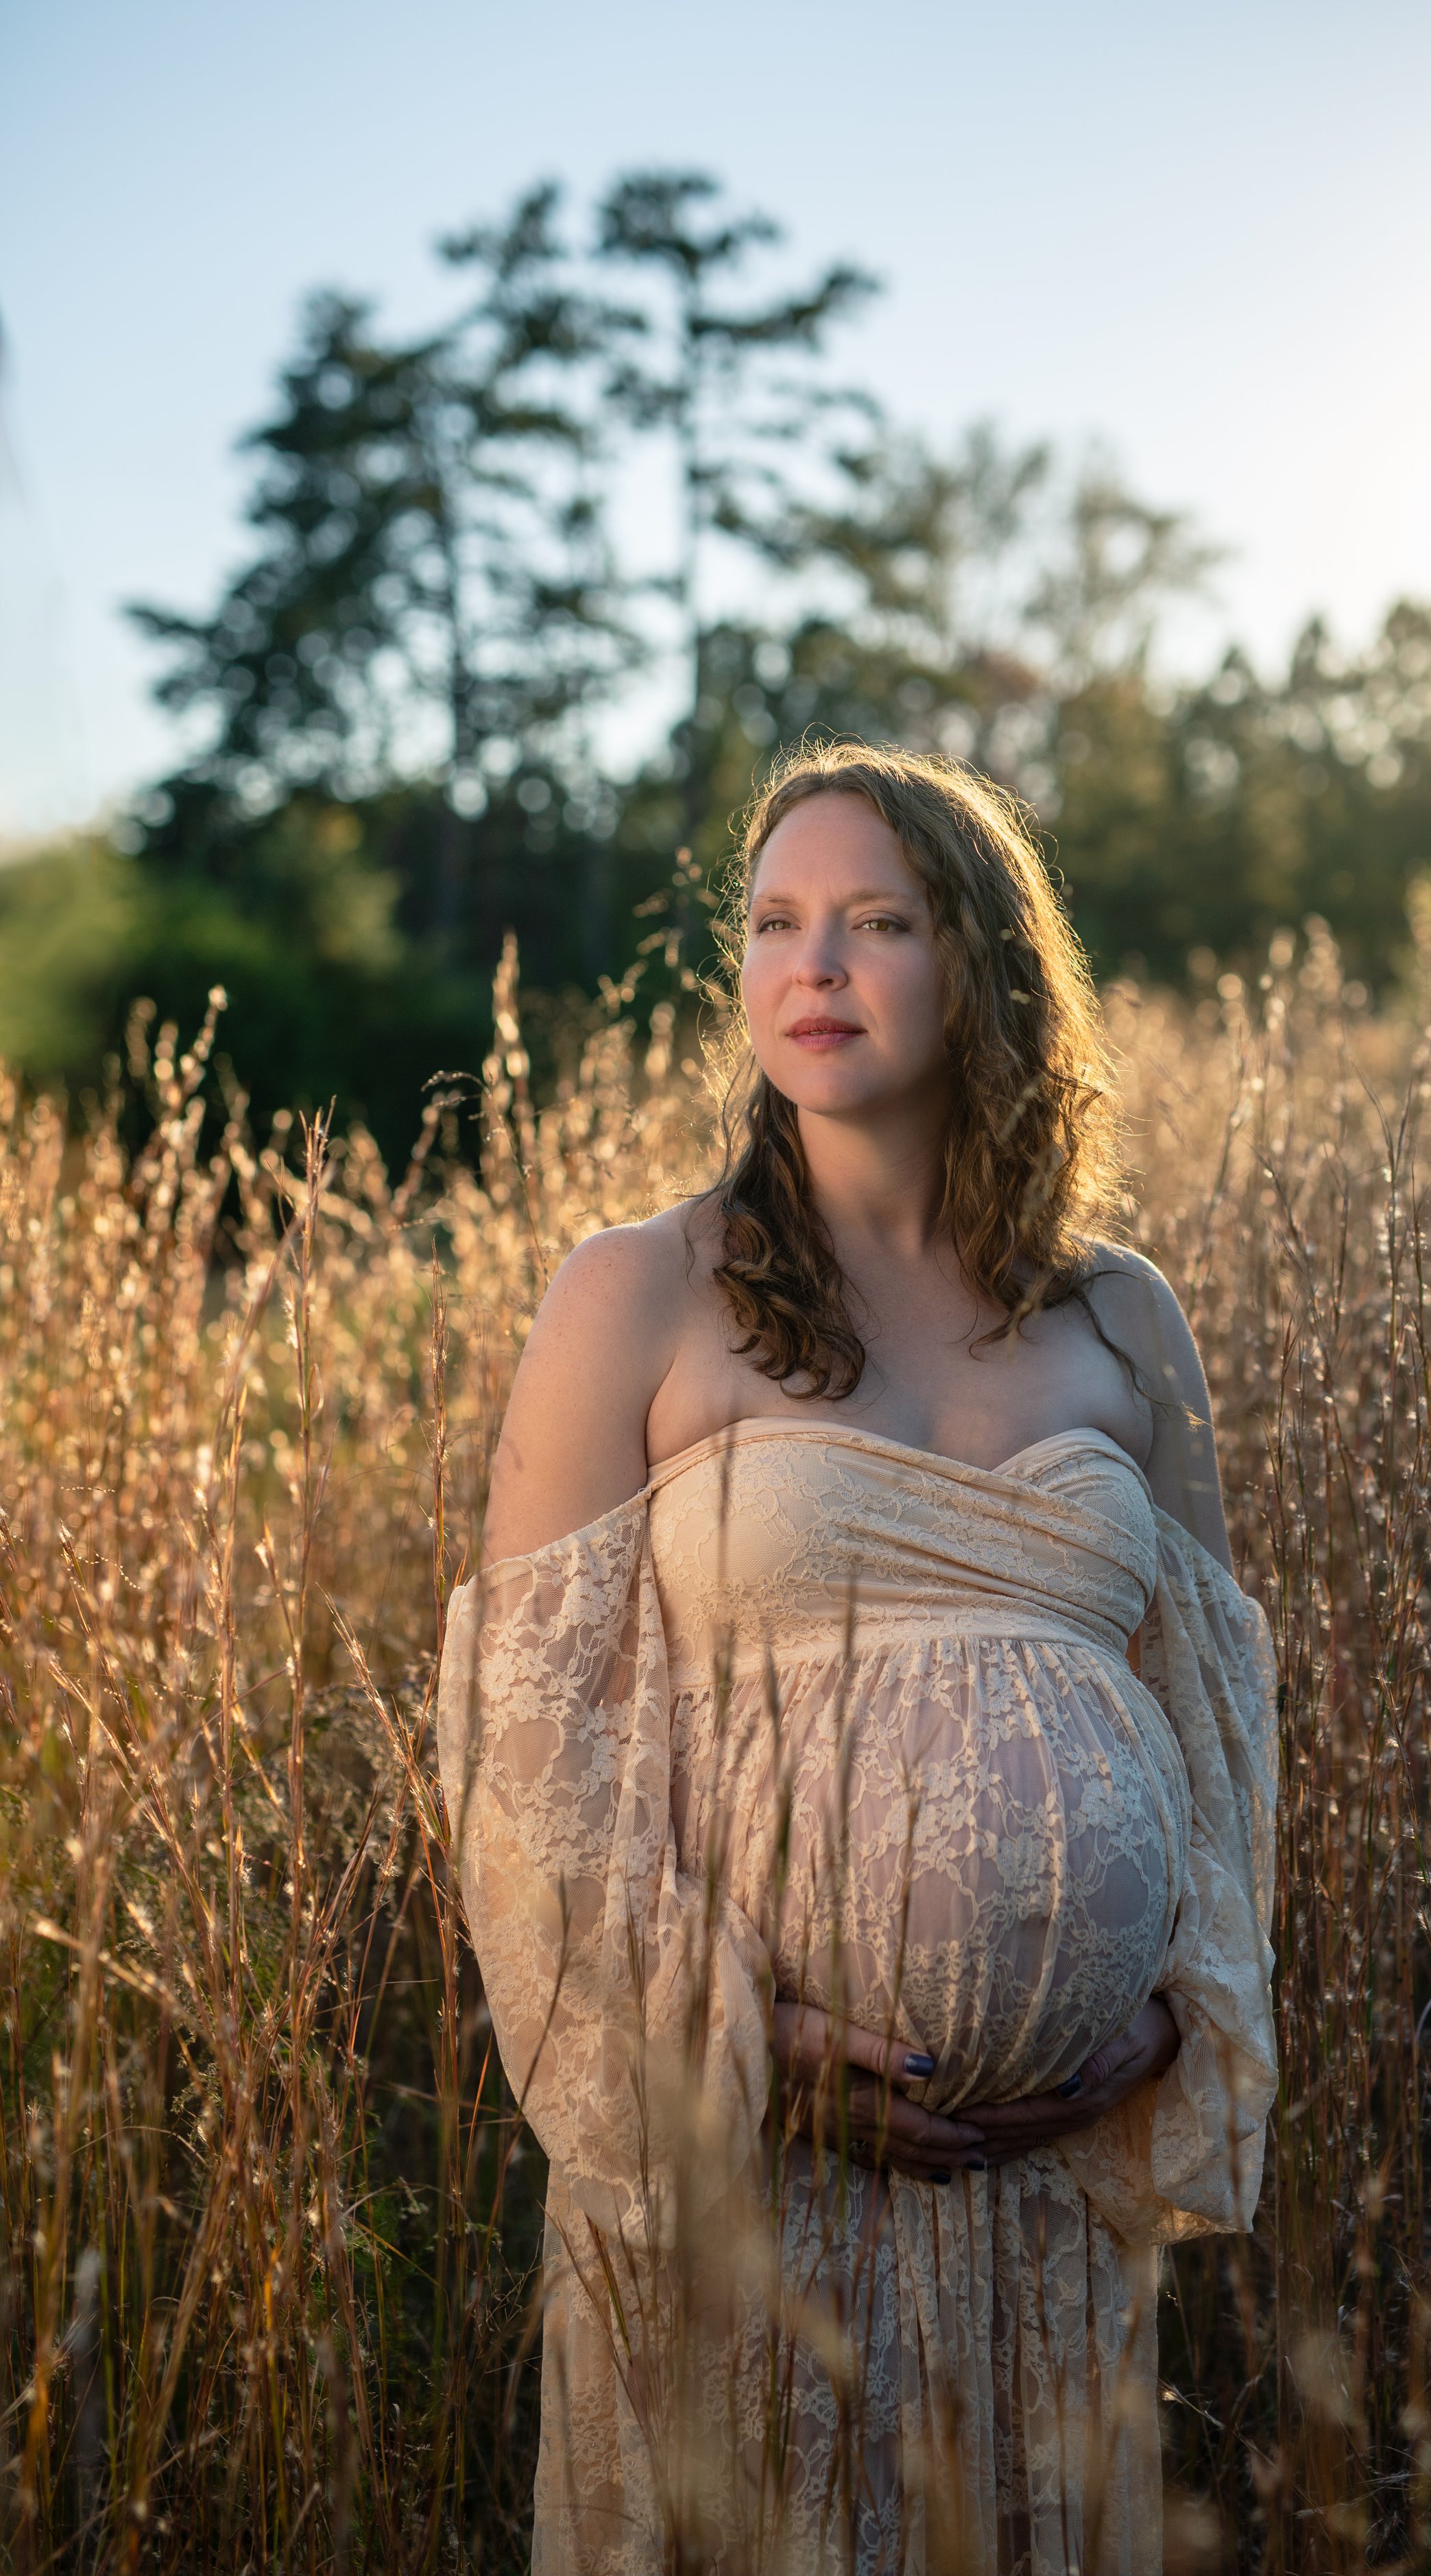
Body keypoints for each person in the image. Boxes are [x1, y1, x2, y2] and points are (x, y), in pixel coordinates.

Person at [437, 743, 1279, 2575]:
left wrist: (1162, 2014)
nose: (810, 966)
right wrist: (738, 2043)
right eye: (774, 922)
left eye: (876, 921)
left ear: (981, 964)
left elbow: (1213, 1720)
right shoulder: (640, 1290)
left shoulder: (1122, 1314)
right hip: (756, 2178)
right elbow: (532, 1746)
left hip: (1051, 2187)